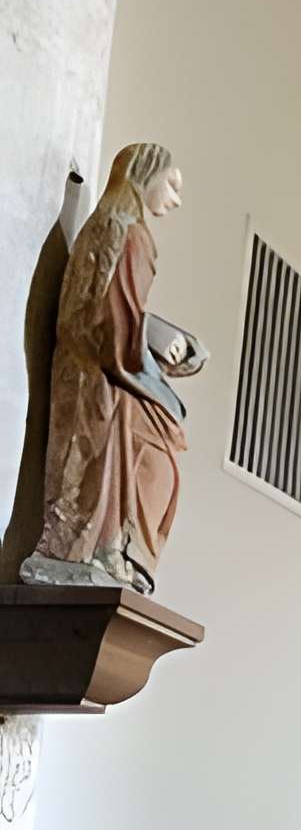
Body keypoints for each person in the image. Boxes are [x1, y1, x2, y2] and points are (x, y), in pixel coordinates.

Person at [24, 142, 207, 592]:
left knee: (159, 448)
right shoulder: (128, 233)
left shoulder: (114, 226)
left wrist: (162, 343)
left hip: (98, 370)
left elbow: (122, 317)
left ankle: (110, 550)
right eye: (173, 185)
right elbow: (114, 329)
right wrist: (163, 381)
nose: (177, 199)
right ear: (146, 174)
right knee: (160, 449)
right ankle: (103, 548)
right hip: (100, 377)